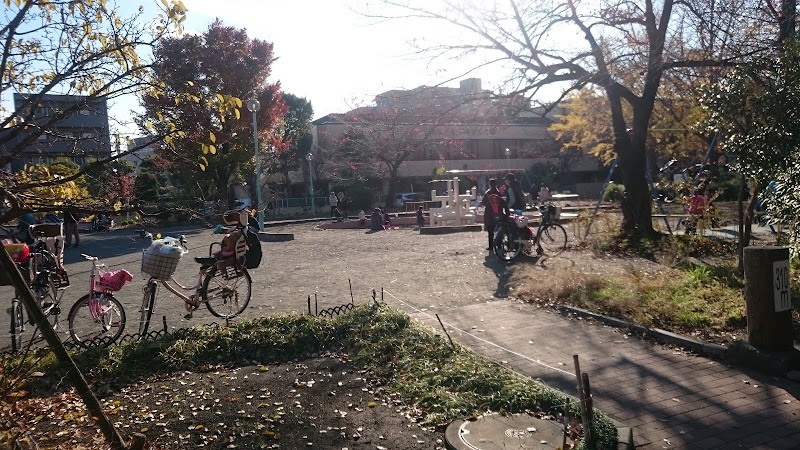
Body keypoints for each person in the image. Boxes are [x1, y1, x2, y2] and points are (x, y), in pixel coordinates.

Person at [481, 179, 507, 252]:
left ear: (489, 184)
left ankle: (491, 246)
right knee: (499, 230)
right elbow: (501, 203)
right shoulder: (498, 193)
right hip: (498, 213)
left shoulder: (487, 193)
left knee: (490, 231)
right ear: (496, 185)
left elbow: (484, 203)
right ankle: (499, 245)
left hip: (489, 214)